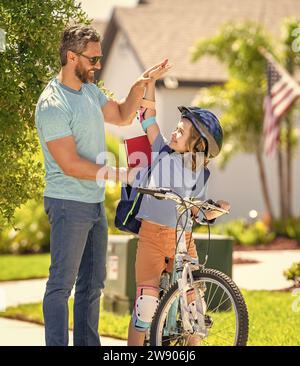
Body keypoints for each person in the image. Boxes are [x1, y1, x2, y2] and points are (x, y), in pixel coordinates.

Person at [35, 24, 168, 346]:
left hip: (92, 202)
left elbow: (123, 115)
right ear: (71, 56)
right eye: (92, 59)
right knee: (61, 286)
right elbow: (70, 164)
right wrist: (121, 174)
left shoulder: (90, 93)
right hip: (68, 203)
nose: (97, 65)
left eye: (99, 58)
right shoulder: (54, 104)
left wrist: (142, 84)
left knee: (93, 284)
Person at [127, 70, 230, 346]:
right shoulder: (161, 150)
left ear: (197, 144)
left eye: (181, 131)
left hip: (184, 239)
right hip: (152, 237)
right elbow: (148, 118)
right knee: (145, 305)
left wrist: (213, 210)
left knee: (194, 307)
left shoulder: (199, 175)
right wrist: (150, 84)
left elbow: (197, 211)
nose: (174, 131)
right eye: (176, 127)